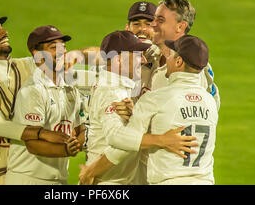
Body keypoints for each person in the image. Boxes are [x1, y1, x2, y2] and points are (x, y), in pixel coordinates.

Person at [79, 35, 218, 185]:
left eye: (170, 55)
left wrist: (90, 171)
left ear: (178, 62)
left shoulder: (155, 99)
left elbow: (122, 145)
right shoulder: (210, 102)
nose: (165, 60)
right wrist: (136, 115)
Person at [0, 16, 71, 185]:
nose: (4, 32)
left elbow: (69, 68)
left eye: (2, 28)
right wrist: (43, 134)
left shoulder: (26, 67)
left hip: (13, 173)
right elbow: (0, 126)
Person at [5, 25, 84, 185]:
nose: (61, 52)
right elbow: (33, 144)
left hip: (59, 179)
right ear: (37, 54)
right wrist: (66, 150)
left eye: (63, 46)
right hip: (28, 179)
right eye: (53, 47)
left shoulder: (70, 89)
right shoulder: (33, 91)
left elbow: (79, 129)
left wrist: (78, 142)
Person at [85, 30, 151, 185]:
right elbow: (117, 139)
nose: (144, 60)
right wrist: (163, 140)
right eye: (137, 55)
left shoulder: (111, 86)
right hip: (108, 182)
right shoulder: (112, 93)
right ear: (118, 60)